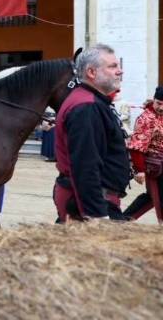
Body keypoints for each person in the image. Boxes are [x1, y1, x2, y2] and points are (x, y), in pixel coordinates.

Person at [53, 44, 131, 222]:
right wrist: (97, 216)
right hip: (93, 205)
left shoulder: (91, 101)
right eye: (112, 66)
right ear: (91, 72)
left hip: (99, 200)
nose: (120, 71)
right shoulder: (86, 107)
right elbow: (85, 166)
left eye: (118, 65)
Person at [123, 86, 163, 223]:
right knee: (158, 198)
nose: (161, 107)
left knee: (152, 197)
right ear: (154, 100)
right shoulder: (146, 118)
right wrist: (139, 170)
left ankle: (122, 221)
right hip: (155, 167)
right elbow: (136, 147)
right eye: (159, 103)